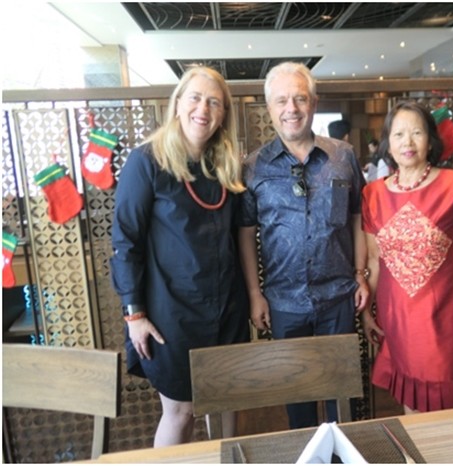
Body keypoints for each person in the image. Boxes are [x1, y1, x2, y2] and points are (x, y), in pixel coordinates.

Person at [111, 66, 249, 446]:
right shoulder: (147, 162)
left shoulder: (224, 165)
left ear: (223, 116)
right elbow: (125, 242)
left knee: (227, 404)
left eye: (214, 102)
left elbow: (238, 237)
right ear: (178, 103)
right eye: (195, 97)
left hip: (227, 307)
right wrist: (134, 315)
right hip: (171, 313)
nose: (202, 108)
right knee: (181, 412)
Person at [238, 61, 369, 429]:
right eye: (281, 100)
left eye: (299, 98)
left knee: (341, 397)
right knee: (297, 397)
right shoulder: (253, 167)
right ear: (270, 109)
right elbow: (246, 233)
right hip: (283, 302)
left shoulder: (342, 155)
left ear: (313, 103)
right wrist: (254, 293)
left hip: (338, 296)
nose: (290, 109)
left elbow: (358, 218)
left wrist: (360, 274)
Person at [360, 101, 453, 413]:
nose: (408, 142)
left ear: (430, 140)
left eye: (417, 132)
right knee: (409, 403)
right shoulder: (373, 194)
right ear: (387, 144)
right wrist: (367, 313)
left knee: (445, 409)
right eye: (399, 134)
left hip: (444, 318)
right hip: (396, 318)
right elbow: (375, 261)